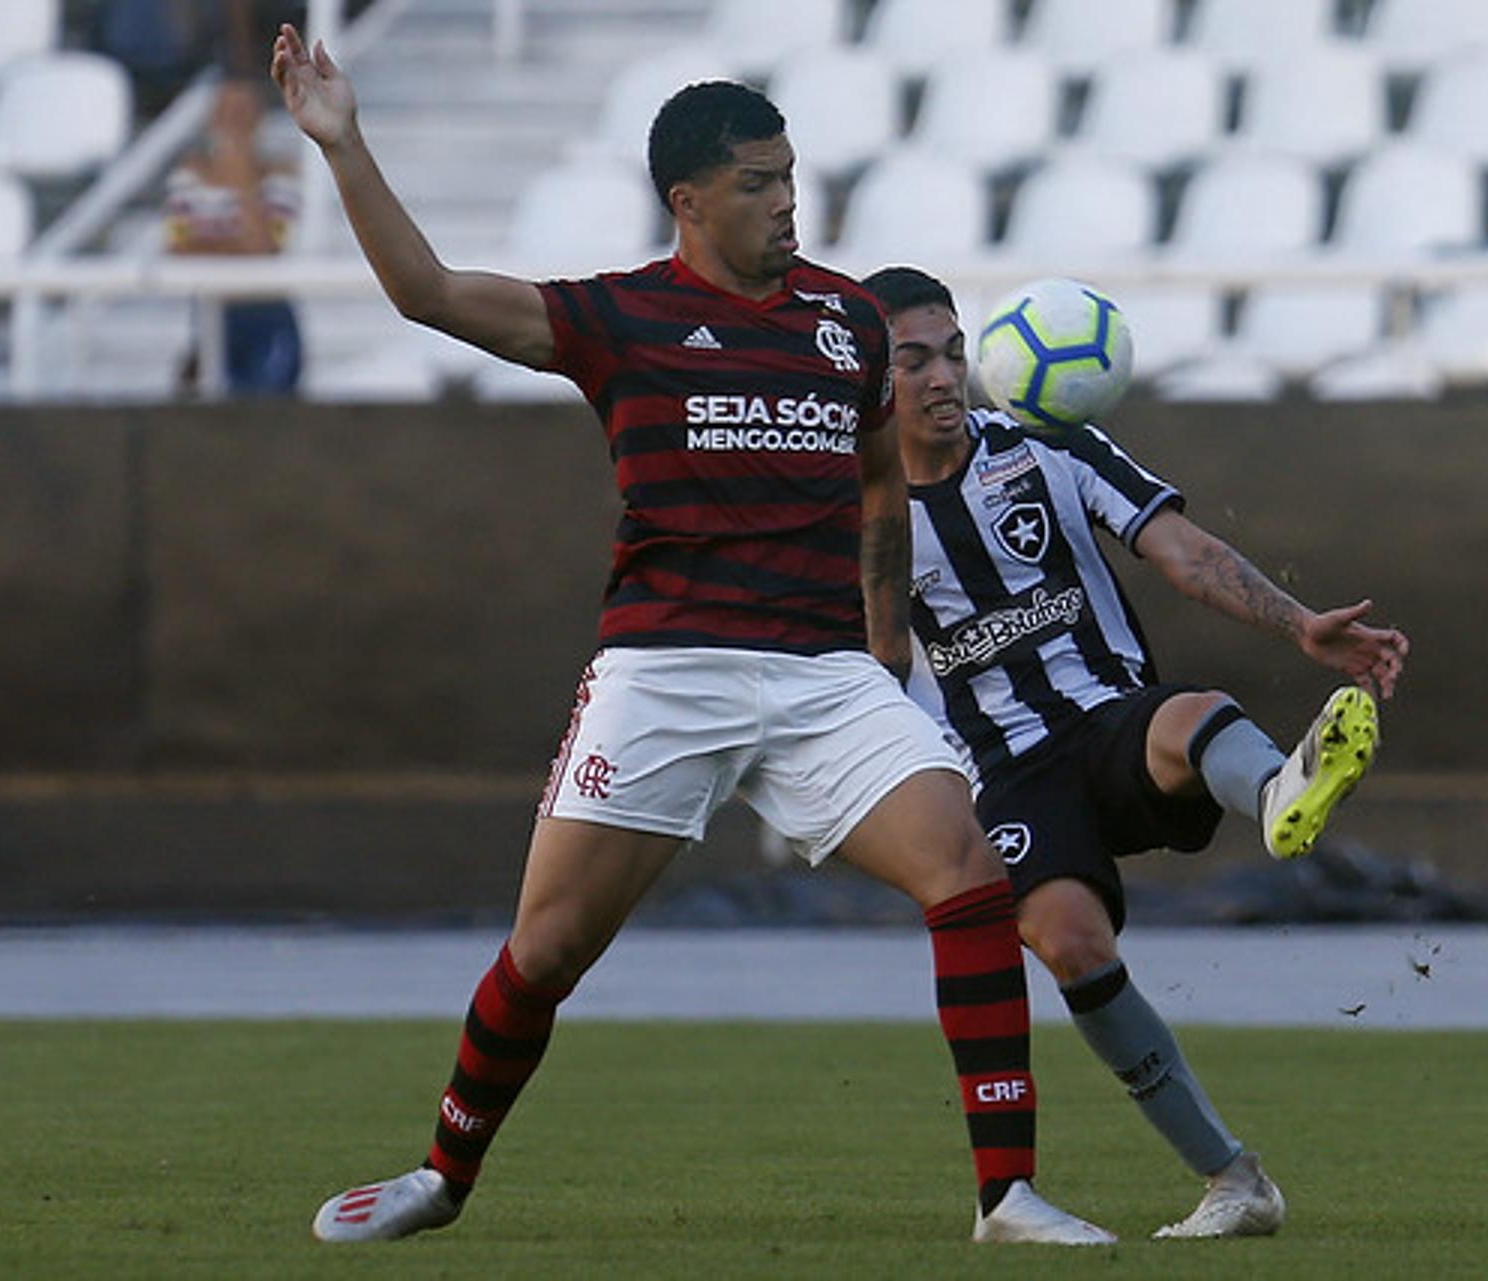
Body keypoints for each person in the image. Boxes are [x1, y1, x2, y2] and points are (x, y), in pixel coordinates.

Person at [268, 26, 1111, 1247]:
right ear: (690, 200)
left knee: (970, 880)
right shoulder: (619, 320)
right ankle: (442, 1177)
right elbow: (430, 294)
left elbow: (882, 480)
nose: (786, 205)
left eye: (792, 180)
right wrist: (343, 143)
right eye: (759, 185)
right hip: (667, 672)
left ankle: (1008, 1194)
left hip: (825, 677)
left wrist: (882, 646)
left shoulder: (847, 322)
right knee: (548, 950)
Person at [860, 265, 1409, 1240]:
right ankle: (1236, 1182)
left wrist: (1302, 627)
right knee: (1072, 946)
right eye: (913, 361)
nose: (943, 377)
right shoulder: (858, 520)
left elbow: (1185, 553)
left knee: (1187, 711)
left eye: (953, 352)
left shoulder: (1047, 448)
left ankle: (1282, 791)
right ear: (872, 377)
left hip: (1109, 723)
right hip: (1003, 777)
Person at [165, 77, 303, 395]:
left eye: (242, 114)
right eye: (226, 113)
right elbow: (178, 248)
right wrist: (239, 242)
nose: (233, 124)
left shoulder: (281, 176)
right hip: (210, 312)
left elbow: (265, 250)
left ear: (259, 119)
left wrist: (240, 174)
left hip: (267, 314)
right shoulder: (189, 176)